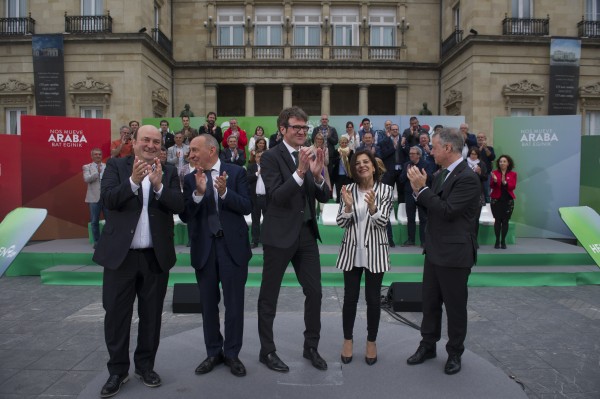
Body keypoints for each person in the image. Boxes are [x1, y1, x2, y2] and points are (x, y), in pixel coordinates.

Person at [93, 125, 184, 397]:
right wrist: (132, 182)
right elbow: (108, 200)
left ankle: (145, 366)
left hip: (155, 259)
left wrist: (158, 187)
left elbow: (179, 205)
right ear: (133, 143)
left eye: (156, 141)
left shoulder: (167, 172)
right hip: (121, 259)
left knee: (152, 317)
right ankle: (117, 371)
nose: (151, 145)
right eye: (145, 139)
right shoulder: (116, 167)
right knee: (117, 317)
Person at [257, 106, 331, 373]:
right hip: (279, 236)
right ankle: (267, 351)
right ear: (283, 130)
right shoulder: (269, 157)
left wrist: (318, 174)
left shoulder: (312, 154)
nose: (302, 131)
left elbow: (324, 196)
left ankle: (311, 346)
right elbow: (276, 196)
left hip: (307, 234)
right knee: (269, 296)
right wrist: (300, 173)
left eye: (304, 127)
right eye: (296, 127)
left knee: (315, 292)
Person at [405, 127, 480, 376]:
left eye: (434, 147)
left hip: (455, 255)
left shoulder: (468, 178)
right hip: (435, 251)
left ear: (448, 148)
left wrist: (422, 190)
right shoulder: (440, 174)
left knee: (455, 307)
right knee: (430, 303)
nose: (430, 151)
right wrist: (419, 191)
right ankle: (428, 345)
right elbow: (432, 210)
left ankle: (455, 352)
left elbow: (448, 211)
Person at [181, 134, 252, 378]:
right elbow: (185, 215)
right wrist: (198, 194)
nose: (190, 155)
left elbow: (246, 206)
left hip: (232, 249)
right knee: (208, 305)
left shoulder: (236, 172)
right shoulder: (190, 179)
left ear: (211, 150)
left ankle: (232, 353)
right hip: (204, 250)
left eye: (194, 149)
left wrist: (224, 193)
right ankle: (213, 352)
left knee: (234, 305)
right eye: (190, 151)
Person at [336, 149, 393, 366]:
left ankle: (371, 342)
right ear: (353, 168)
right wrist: (348, 206)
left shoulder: (386, 190)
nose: (361, 165)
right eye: (357, 163)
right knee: (349, 299)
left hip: (375, 253)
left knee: (372, 300)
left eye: (365, 161)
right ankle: (347, 340)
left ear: (373, 165)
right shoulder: (348, 189)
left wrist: (373, 207)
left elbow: (382, 223)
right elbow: (342, 223)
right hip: (351, 252)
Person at [399, 146, 432, 247]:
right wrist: (407, 172)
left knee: (423, 218)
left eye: (412, 154)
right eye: (410, 154)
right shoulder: (406, 165)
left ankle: (424, 241)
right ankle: (411, 240)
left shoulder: (426, 165)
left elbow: (429, 179)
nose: (410, 155)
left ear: (418, 155)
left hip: (421, 194)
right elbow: (401, 179)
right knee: (410, 218)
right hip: (409, 194)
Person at [490, 155, 517, 249]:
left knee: (505, 221)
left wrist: (505, 182)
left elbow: (513, 186)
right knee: (497, 221)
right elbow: (492, 186)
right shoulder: (494, 173)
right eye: (501, 161)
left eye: (504, 161)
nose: (502, 163)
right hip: (496, 200)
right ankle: (497, 240)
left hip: (508, 200)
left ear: (508, 163)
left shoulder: (513, 174)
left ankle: (503, 241)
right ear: (498, 163)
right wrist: (494, 181)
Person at [83, 148, 106, 248]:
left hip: (106, 197)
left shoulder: (107, 166)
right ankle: (97, 241)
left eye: (99, 154)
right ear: (92, 156)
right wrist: (97, 172)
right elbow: (87, 179)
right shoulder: (87, 167)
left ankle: (108, 240)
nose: (98, 156)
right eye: (95, 154)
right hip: (93, 198)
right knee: (94, 221)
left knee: (109, 220)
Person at [247, 150, 267, 249]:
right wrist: (257, 173)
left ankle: (265, 240)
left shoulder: (270, 167)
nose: (260, 158)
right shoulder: (251, 167)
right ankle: (255, 240)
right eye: (258, 156)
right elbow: (247, 179)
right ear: (255, 158)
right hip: (255, 198)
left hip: (267, 198)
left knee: (267, 220)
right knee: (255, 220)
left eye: (262, 156)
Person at [467, 147, 488, 240]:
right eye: (471, 154)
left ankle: (474, 239)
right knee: (465, 218)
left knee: (476, 218)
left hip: (478, 193)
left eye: (475, 154)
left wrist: (480, 173)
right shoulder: (464, 163)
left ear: (478, 155)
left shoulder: (481, 164)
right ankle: (466, 238)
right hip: (465, 192)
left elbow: (485, 178)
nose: (473, 156)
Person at [330, 135, 354, 203]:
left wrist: (348, 156)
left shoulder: (351, 151)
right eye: (342, 142)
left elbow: (353, 163)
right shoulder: (336, 151)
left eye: (345, 142)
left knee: (348, 192)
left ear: (347, 143)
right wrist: (339, 157)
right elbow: (333, 162)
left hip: (348, 176)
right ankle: (338, 207)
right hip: (338, 176)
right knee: (339, 193)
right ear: (339, 143)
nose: (344, 144)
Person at [476, 132, 495, 203]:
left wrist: (485, 148)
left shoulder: (490, 148)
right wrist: (481, 148)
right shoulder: (473, 148)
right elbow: (474, 157)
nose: (480, 138)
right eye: (478, 137)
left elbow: (492, 158)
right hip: (476, 174)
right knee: (476, 193)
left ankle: (488, 210)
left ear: (485, 139)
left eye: (482, 137)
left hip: (487, 174)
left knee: (487, 192)